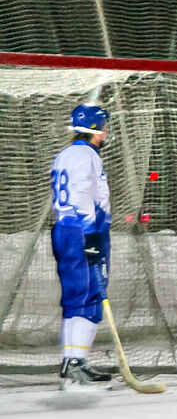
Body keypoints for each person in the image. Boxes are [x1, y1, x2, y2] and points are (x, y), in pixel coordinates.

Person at [50, 103, 113, 390]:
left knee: (75, 297)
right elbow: (81, 195)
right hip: (83, 231)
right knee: (90, 296)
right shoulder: (87, 155)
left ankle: (71, 360)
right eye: (104, 126)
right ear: (95, 129)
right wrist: (91, 235)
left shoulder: (65, 154)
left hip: (64, 230)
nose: (106, 132)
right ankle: (77, 361)